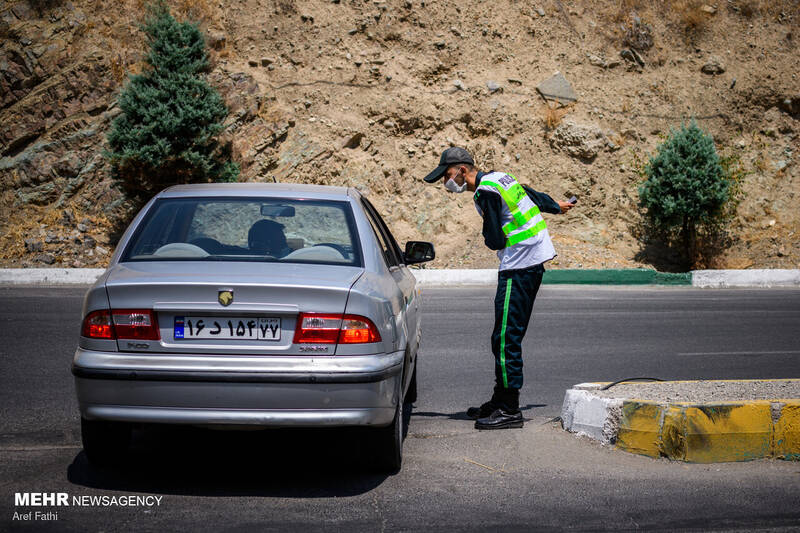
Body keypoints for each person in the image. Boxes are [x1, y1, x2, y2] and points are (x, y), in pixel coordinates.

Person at [423, 147, 575, 430]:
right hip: (531, 261)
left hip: (519, 266)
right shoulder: (499, 178)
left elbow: (494, 239)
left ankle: (509, 409)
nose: (446, 182)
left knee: (505, 339)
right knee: (505, 336)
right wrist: (556, 205)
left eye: (447, 175)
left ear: (462, 171)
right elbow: (529, 193)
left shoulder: (484, 192)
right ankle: (500, 398)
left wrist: (490, 236)